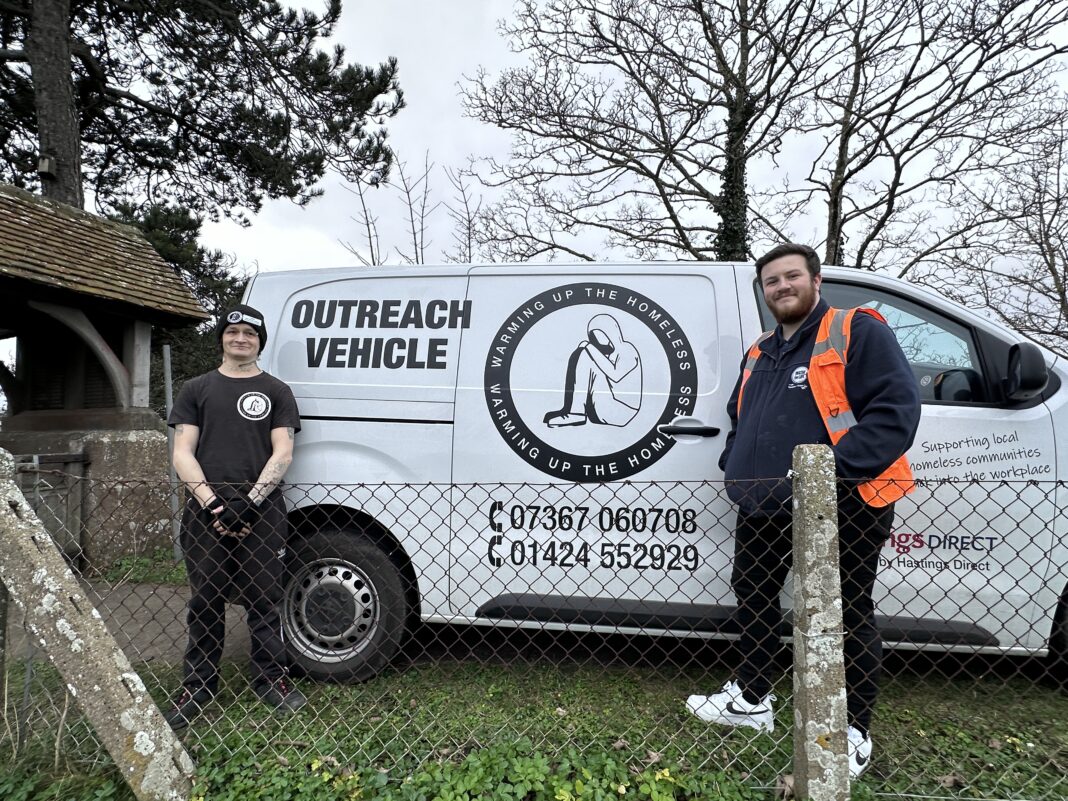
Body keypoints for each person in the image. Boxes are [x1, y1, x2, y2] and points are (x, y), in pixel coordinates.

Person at [685, 243, 921, 779]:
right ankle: (751, 699)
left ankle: (852, 729)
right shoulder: (760, 349)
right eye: (771, 281)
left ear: (816, 281)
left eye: (792, 276)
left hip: (846, 500)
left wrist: (829, 473)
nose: (782, 287)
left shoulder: (856, 329)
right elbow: (741, 416)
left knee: (846, 610)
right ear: (764, 292)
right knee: (753, 592)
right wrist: (734, 462)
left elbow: (895, 412)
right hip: (765, 501)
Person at [164, 303, 306, 729]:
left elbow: (283, 452)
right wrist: (214, 504)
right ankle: (198, 685)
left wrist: (251, 502)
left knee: (265, 599)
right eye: (232, 331)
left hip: (262, 511)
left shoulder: (277, 391)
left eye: (250, 333)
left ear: (260, 342)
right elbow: (182, 453)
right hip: (205, 509)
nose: (240, 338)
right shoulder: (196, 389)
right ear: (221, 338)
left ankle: (270, 679)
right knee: (205, 601)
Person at [543, 314, 642, 427]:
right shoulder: (606, 353)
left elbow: (616, 375)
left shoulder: (627, 349)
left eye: (606, 338)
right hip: (604, 407)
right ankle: (573, 411)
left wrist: (588, 347)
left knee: (586, 354)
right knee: (584, 354)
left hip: (624, 411)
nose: (603, 344)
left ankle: (576, 413)